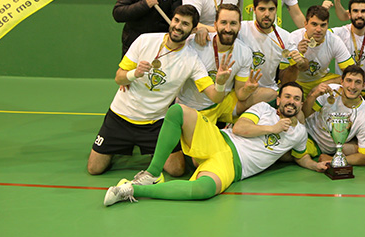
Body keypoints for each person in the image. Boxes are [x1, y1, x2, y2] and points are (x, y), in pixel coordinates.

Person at [103, 81, 327, 206]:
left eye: (297, 99)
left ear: (300, 103)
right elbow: (240, 128)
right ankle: (152, 173)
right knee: (177, 112)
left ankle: (134, 189)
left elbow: (302, 157)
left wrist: (316, 166)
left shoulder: (299, 133)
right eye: (287, 97)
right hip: (220, 139)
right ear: (279, 100)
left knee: (205, 189)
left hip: (232, 166)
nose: (291, 102)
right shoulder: (263, 110)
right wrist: (273, 128)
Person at [88, 5, 215, 177]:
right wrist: (135, 73)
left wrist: (221, 82)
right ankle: (122, 147)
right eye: (176, 20)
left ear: (193, 29)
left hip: (155, 122)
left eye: (185, 24)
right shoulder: (144, 40)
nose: (178, 26)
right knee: (94, 169)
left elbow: (214, 94)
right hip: (120, 116)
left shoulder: (192, 60)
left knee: (177, 170)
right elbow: (119, 77)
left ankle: (147, 148)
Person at [180, 3, 276, 119]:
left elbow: (240, 93)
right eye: (223, 22)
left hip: (222, 104)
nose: (228, 29)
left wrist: (247, 89)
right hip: (193, 107)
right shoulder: (195, 43)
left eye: (233, 23)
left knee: (271, 93)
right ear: (215, 25)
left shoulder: (244, 52)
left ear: (239, 26)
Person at [302, 67, 365, 166]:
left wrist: (334, 160)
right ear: (342, 82)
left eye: (357, 82)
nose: (352, 86)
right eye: (349, 81)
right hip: (306, 132)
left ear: (363, 85)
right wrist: (313, 95)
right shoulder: (330, 91)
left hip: (321, 148)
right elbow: (304, 114)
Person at [284, 5, 355, 96]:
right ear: (305, 24)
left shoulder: (334, 40)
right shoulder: (293, 38)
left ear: (327, 25)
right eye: (314, 24)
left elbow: (353, 73)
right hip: (297, 82)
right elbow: (286, 80)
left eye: (323, 25)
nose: (318, 29)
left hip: (322, 80)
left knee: (348, 83)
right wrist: (298, 57)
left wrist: (326, 84)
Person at [238, 0, 296, 90]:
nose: (267, 14)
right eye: (262, 9)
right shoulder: (241, 28)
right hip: (241, 89)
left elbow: (286, 80)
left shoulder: (285, 37)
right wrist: (202, 29)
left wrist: (296, 65)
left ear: (276, 10)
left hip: (269, 90)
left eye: (271, 9)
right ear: (254, 9)